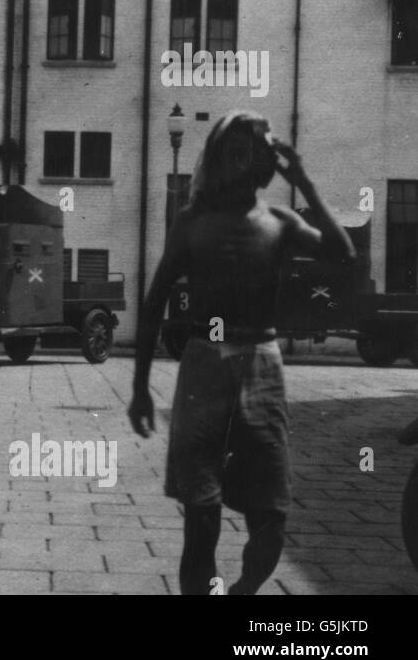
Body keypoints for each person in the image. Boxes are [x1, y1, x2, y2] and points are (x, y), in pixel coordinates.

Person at [129, 110, 355, 595]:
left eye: (251, 150)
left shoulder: (279, 221)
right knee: (201, 511)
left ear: (265, 163)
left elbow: (343, 255)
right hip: (204, 364)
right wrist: (139, 390)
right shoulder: (193, 222)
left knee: (272, 511)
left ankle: (243, 591)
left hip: (262, 363)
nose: (241, 159)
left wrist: (306, 181)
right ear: (216, 158)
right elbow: (152, 304)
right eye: (232, 150)